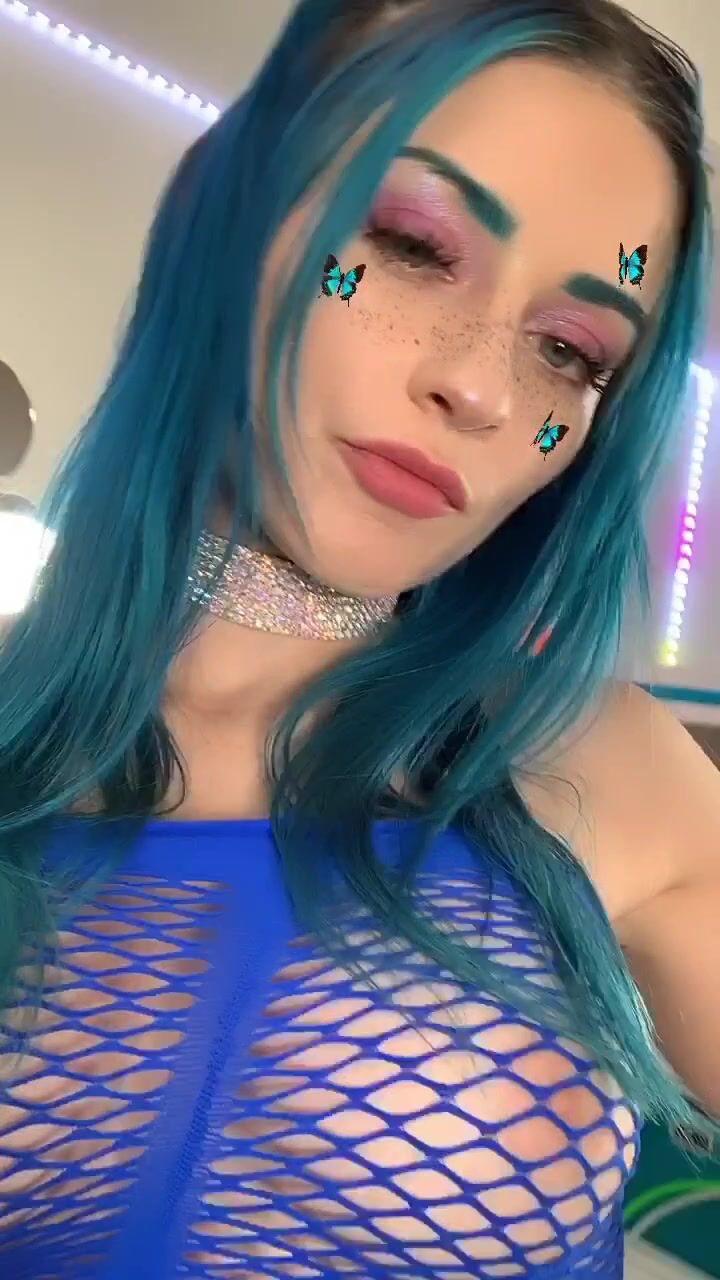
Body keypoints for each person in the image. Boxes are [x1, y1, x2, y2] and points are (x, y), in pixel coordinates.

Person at [0, 1, 719, 1277]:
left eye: (570, 349)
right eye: (410, 244)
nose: (481, 386)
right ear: (222, 210)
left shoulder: (606, 770)